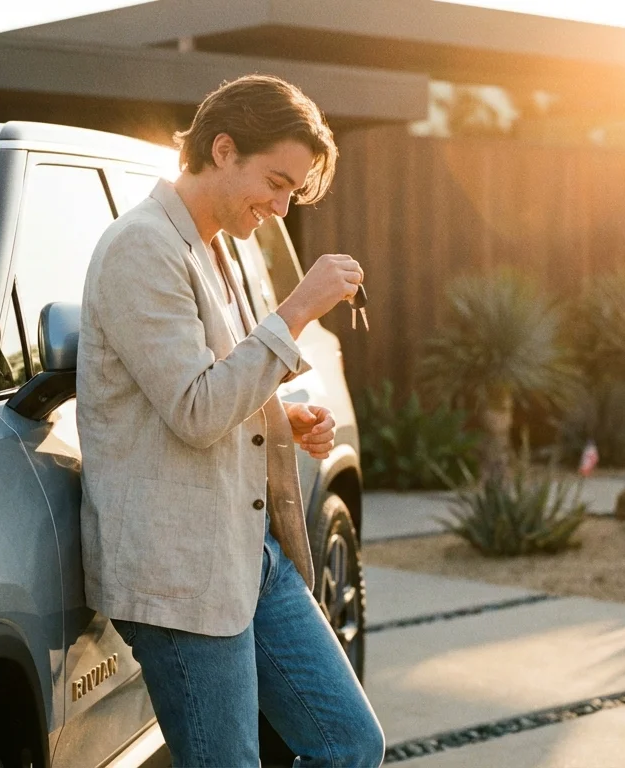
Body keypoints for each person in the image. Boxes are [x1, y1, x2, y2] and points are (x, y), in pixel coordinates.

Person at [76, 74, 385, 766]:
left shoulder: (218, 246)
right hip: (181, 574)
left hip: (250, 552)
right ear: (222, 149)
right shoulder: (140, 247)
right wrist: (298, 308)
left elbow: (222, 381)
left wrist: (282, 417)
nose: (280, 208)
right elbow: (194, 411)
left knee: (350, 742)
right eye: (275, 183)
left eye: (292, 192)